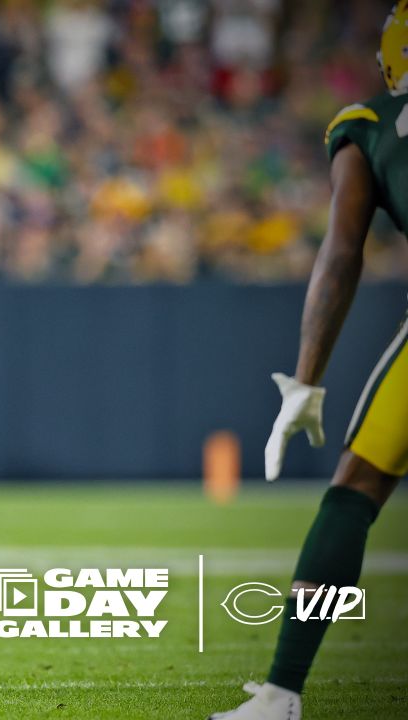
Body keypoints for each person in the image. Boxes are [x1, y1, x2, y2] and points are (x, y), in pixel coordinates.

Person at [211, 7, 408, 719]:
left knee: (353, 493)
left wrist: (306, 378)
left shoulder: (370, 122)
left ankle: (282, 692)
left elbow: (342, 252)